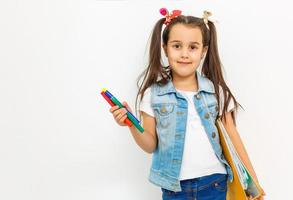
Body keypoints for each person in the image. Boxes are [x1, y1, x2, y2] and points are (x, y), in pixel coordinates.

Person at [109, 8, 265, 200]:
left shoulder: (217, 91)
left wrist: (253, 185)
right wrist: (131, 124)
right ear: (165, 48)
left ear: (203, 51)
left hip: (215, 183)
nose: (184, 54)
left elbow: (233, 138)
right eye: (177, 46)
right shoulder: (152, 94)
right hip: (175, 189)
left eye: (193, 47)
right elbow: (150, 145)